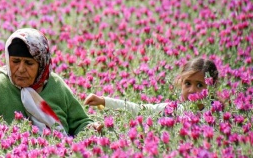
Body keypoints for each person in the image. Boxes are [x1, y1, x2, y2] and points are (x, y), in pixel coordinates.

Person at [0, 28, 94, 136]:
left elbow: (80, 123)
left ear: (41, 65)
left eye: (29, 63)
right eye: (15, 61)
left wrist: (91, 130)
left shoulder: (56, 86)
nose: (21, 69)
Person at [84, 58, 219, 114]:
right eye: (187, 83)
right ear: (181, 83)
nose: (192, 90)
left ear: (211, 87)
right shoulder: (172, 110)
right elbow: (139, 109)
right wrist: (103, 101)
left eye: (200, 85)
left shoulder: (218, 115)